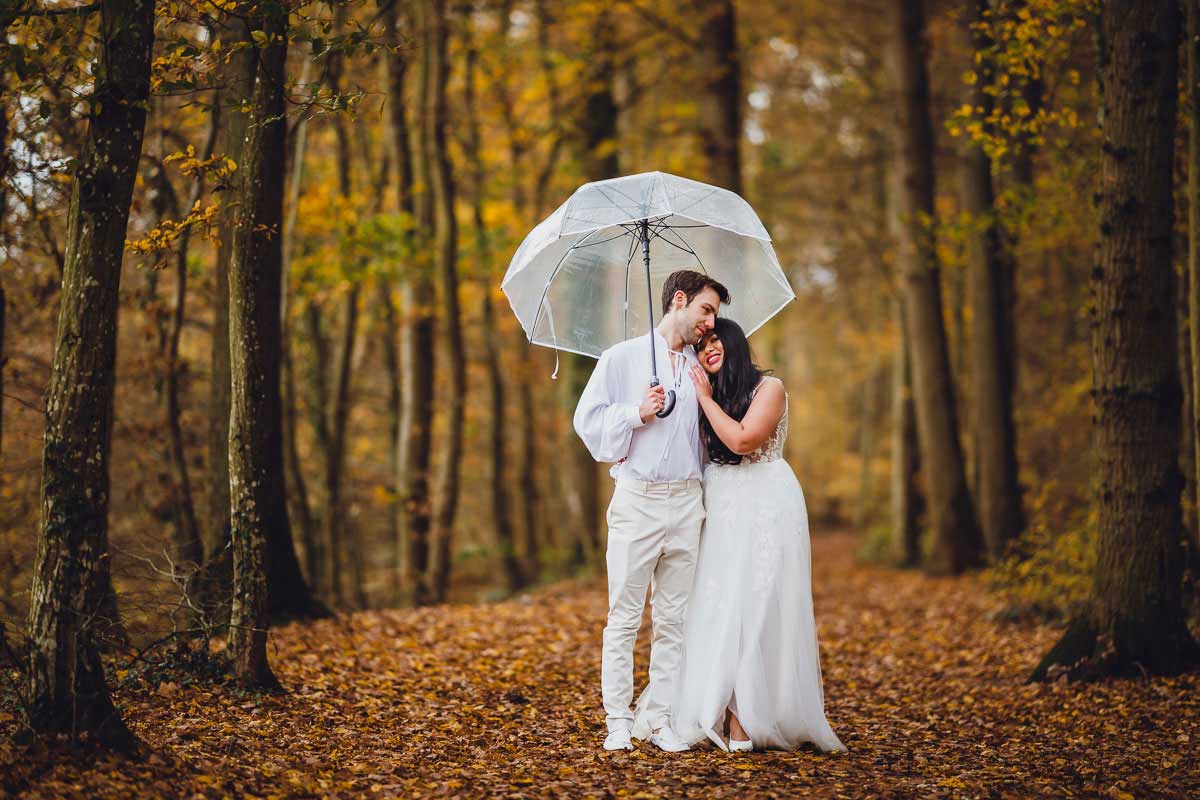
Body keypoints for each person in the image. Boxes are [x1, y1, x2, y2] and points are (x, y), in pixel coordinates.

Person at [661, 316, 846, 753]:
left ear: (735, 344)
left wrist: (705, 400)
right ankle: (717, 705)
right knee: (717, 604)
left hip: (766, 503)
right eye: (701, 345)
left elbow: (744, 442)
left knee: (758, 605)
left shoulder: (770, 389)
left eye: (715, 340)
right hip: (720, 502)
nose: (707, 349)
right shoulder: (709, 393)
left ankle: (744, 715)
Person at [573, 269, 730, 753]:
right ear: (678, 300)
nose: (710, 323)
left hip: (688, 502)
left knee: (673, 620)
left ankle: (659, 719)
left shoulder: (702, 367)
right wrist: (635, 413)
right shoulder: (621, 358)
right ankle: (617, 721)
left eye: (715, 315)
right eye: (705, 310)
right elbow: (587, 423)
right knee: (624, 617)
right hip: (637, 500)